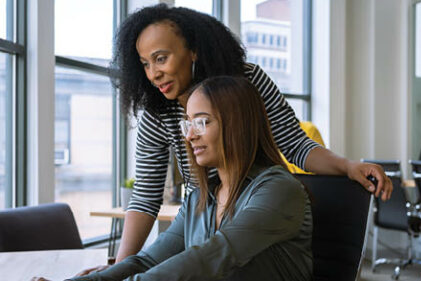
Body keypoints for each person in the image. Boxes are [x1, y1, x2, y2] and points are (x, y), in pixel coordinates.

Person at [80, 4, 392, 274]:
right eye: (145, 64)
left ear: (193, 51)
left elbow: (295, 144)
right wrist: (119, 268)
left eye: (161, 59)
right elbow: (146, 196)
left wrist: (346, 166)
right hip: (206, 214)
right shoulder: (157, 112)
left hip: (255, 212)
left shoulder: (248, 82)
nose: (153, 74)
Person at [61, 76, 312, 280]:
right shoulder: (199, 199)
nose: (189, 135)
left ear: (237, 124)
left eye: (202, 122)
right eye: (187, 124)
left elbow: (212, 258)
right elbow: (148, 260)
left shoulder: (279, 190)